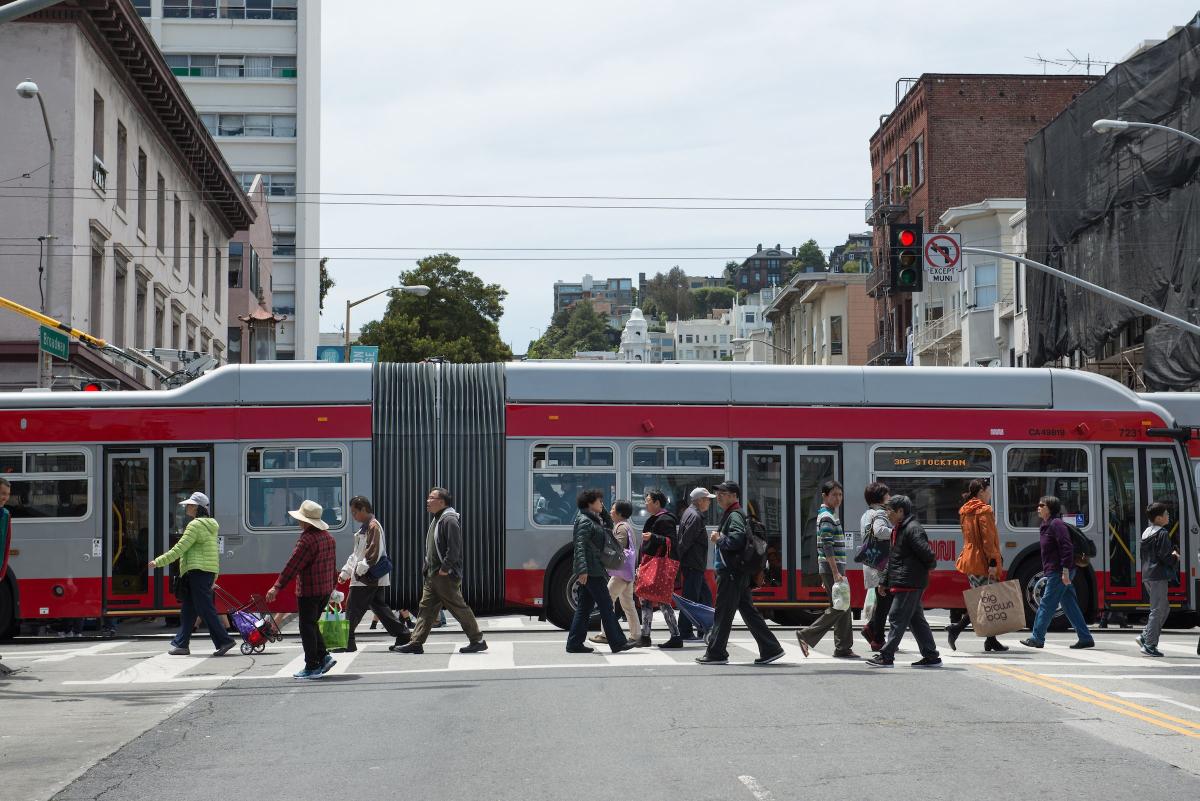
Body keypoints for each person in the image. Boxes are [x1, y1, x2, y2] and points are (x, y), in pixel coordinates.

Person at [696, 481, 783, 666]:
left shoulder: (734, 515)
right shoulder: (734, 513)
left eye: (723, 493)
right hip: (737, 572)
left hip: (731, 573)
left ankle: (716, 652)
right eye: (718, 493)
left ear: (734, 496)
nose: (719, 496)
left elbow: (736, 540)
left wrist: (719, 538)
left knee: (723, 613)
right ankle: (771, 648)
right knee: (748, 612)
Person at [393, 488, 488, 655]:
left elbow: (454, 549)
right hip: (433, 575)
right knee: (426, 609)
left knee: (458, 607)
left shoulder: (449, 519)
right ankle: (416, 642)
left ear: (442, 502)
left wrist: (445, 568)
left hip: (444, 576)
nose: (427, 500)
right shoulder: (438, 518)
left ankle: (477, 640)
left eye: (431, 498)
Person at [147, 492, 236, 658]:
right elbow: (212, 554)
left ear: (196, 507)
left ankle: (224, 640)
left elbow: (180, 548)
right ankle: (181, 644)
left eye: (189, 504)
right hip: (205, 571)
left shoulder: (195, 526)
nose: (186, 507)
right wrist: (214, 576)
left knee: (205, 609)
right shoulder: (211, 525)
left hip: (196, 572)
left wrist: (158, 562)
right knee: (188, 609)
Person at [865, 495, 942, 668]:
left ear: (900, 511)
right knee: (916, 620)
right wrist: (884, 581)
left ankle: (886, 656)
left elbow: (928, 555)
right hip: (905, 580)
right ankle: (931, 656)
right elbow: (893, 558)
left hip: (909, 582)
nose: (887, 515)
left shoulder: (912, 529)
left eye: (890, 511)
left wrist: (918, 573)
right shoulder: (898, 528)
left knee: (896, 617)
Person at [265, 499, 338, 679]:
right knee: (312, 624)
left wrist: (276, 587)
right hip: (325, 590)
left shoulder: (306, 540)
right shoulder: (328, 537)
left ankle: (312, 666)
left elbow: (292, 566)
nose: (298, 522)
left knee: (306, 627)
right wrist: (333, 587)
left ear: (305, 521)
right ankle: (324, 656)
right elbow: (333, 565)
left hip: (309, 591)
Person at [567, 489, 638, 654]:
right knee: (606, 605)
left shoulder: (593, 519)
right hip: (591, 571)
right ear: (590, 504)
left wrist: (602, 509)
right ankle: (618, 642)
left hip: (595, 569)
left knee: (584, 608)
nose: (602, 504)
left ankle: (574, 643)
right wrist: (582, 570)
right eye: (599, 501)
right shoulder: (585, 521)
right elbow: (580, 546)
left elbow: (609, 523)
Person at [336, 496, 410, 653]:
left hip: (366, 578)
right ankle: (403, 635)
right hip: (371, 577)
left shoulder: (372, 527)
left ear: (363, 509)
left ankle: (347, 642)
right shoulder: (367, 527)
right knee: (380, 608)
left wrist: (356, 571)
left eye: (355, 512)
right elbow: (357, 554)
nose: (353, 516)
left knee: (353, 608)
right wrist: (346, 571)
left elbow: (372, 553)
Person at [1021, 495, 1095, 651]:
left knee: (1046, 604)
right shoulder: (1046, 525)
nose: (1038, 507)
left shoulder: (1057, 524)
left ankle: (1037, 638)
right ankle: (1085, 638)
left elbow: (1066, 548)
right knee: (1070, 605)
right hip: (1055, 571)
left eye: (1042, 505)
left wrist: (1065, 571)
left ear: (1050, 508)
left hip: (1060, 571)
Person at [796, 479, 857, 659]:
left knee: (842, 606)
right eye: (834, 495)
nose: (838, 498)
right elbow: (827, 545)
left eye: (840, 495)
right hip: (833, 567)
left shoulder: (829, 514)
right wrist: (835, 572)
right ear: (824, 496)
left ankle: (843, 647)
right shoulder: (826, 517)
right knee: (840, 606)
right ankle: (806, 635)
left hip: (833, 568)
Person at [946, 478, 1008, 652]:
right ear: (981, 491)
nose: (990, 495)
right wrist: (993, 562)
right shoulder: (984, 510)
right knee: (985, 601)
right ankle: (956, 629)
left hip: (969, 560)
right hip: (983, 561)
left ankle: (991, 640)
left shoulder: (965, 510)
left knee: (985, 600)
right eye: (988, 491)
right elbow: (988, 540)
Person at [590, 499, 640, 645]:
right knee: (628, 604)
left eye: (613, 509)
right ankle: (636, 635)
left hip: (620, 573)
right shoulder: (627, 526)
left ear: (619, 513)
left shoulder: (621, 528)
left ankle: (606, 634)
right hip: (627, 573)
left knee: (607, 600)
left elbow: (618, 547)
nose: (611, 511)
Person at [638, 489, 682, 648]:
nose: (645, 503)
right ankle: (645, 636)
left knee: (662, 600)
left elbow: (671, 541)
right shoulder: (657, 518)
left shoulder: (665, 519)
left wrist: (653, 537)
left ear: (657, 502)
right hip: (651, 565)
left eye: (648, 500)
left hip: (659, 567)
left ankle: (676, 636)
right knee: (646, 599)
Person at [1137, 501, 1179, 658]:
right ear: (1159, 518)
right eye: (1166, 514)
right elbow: (1165, 557)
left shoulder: (1147, 532)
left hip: (1147, 574)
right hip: (1158, 575)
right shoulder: (1162, 533)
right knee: (1157, 609)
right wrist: (1175, 557)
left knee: (1164, 607)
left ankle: (1145, 636)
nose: (1168, 516)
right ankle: (1149, 644)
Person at [676, 487, 716, 641]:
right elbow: (685, 542)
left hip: (694, 564)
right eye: (707, 500)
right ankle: (685, 631)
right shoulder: (695, 516)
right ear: (700, 500)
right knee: (691, 600)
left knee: (704, 597)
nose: (709, 503)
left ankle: (705, 629)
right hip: (693, 564)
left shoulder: (690, 513)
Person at [859, 482, 892, 652]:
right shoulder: (879, 513)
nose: (890, 498)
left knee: (883, 602)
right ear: (880, 497)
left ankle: (872, 629)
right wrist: (895, 532)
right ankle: (877, 637)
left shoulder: (866, 514)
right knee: (884, 601)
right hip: (880, 564)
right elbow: (880, 532)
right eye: (887, 495)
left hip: (871, 561)